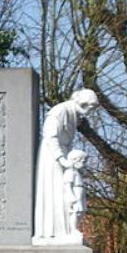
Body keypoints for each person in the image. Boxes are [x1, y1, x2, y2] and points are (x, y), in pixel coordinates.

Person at [32, 89, 98, 244]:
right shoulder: (60, 110)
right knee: (57, 193)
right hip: (53, 156)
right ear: (82, 103)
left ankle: (66, 230)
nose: (89, 112)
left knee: (64, 194)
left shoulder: (74, 115)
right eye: (89, 107)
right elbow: (50, 136)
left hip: (64, 155)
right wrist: (62, 159)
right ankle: (54, 232)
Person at [63, 149, 87, 236]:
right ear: (75, 160)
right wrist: (71, 196)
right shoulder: (70, 172)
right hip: (75, 193)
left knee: (81, 211)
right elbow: (67, 184)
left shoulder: (78, 172)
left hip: (80, 192)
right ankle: (73, 229)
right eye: (83, 161)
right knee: (75, 211)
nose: (84, 164)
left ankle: (76, 227)